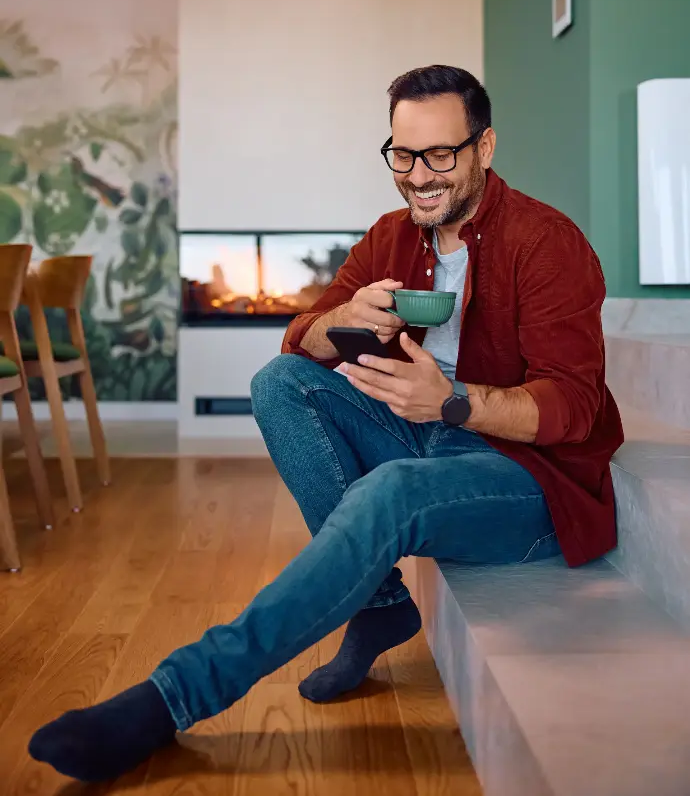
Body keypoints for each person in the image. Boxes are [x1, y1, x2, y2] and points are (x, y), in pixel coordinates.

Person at [29, 65, 624, 783]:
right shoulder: (393, 236)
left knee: (396, 491)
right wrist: (344, 318)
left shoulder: (547, 242)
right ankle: (379, 604)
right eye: (403, 155)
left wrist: (452, 400)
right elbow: (300, 336)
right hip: (428, 436)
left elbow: (572, 407)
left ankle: (170, 696)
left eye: (441, 154)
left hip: (531, 480)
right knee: (280, 384)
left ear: (484, 147)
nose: (419, 175)